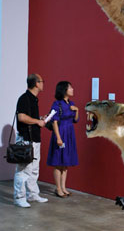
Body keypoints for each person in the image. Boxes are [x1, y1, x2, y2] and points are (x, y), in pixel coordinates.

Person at [13, 73, 48, 208]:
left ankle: (33, 194)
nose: (43, 83)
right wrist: (38, 122)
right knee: (23, 169)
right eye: (42, 81)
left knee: (34, 169)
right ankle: (19, 197)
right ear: (36, 84)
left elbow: (29, 117)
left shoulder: (34, 99)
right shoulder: (24, 98)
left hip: (34, 138)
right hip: (26, 139)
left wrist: (39, 119)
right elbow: (21, 117)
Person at [47, 81, 79, 198]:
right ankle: (58, 188)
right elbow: (54, 121)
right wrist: (58, 138)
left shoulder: (71, 103)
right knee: (58, 163)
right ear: (64, 90)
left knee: (65, 164)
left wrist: (76, 110)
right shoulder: (57, 104)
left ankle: (64, 187)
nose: (72, 89)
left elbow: (76, 120)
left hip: (70, 134)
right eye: (70, 87)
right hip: (61, 133)